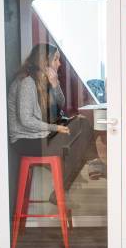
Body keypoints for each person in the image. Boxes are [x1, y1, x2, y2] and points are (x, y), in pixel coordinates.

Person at [7, 44, 105, 203]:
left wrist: (55, 84)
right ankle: (88, 168)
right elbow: (26, 120)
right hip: (26, 140)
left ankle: (65, 187)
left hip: (41, 136)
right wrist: (55, 128)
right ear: (44, 62)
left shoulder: (42, 79)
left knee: (82, 128)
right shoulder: (27, 82)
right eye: (56, 59)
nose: (59, 63)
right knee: (82, 133)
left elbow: (61, 103)